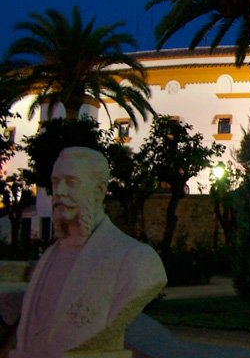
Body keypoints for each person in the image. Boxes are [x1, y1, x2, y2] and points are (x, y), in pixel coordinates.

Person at [11, 147, 167, 357]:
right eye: (56, 182)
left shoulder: (136, 260)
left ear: (99, 190)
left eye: (71, 182)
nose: (60, 191)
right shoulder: (49, 257)